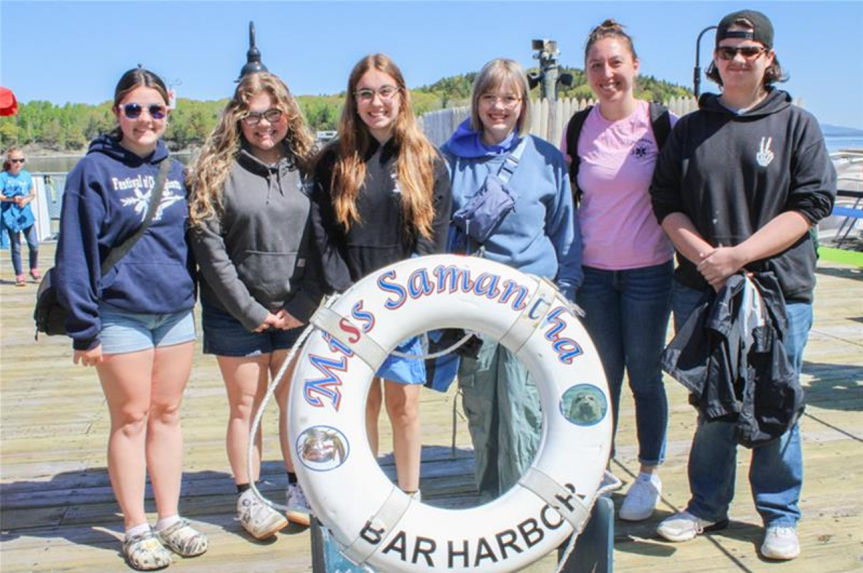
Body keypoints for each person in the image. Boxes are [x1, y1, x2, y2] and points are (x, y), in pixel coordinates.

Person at [650, 10, 836, 560]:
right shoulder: (689, 129)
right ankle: (706, 505)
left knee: (777, 397)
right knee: (713, 401)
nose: (736, 60)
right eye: (727, 51)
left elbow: (811, 204)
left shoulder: (797, 124)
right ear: (715, 60)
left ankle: (780, 513)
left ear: (769, 60)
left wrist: (739, 256)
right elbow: (666, 202)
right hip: (702, 285)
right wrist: (709, 257)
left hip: (778, 289)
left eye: (748, 52)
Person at [55, 68, 207, 570]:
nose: (145, 119)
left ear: (169, 111)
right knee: (130, 417)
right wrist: (84, 327)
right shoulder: (91, 171)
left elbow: (192, 243)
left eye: (156, 110)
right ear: (117, 111)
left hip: (175, 312)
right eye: (134, 109)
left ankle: (169, 517)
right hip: (119, 313)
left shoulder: (180, 171)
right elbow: (74, 251)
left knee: (167, 414)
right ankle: (135, 525)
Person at [188, 71, 323, 537]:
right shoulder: (217, 170)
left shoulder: (311, 167)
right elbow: (209, 249)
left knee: (293, 404)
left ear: (288, 114)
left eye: (273, 113)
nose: (264, 124)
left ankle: (297, 486)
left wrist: (304, 303)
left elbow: (327, 241)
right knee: (246, 405)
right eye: (253, 116)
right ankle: (248, 493)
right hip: (235, 312)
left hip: (296, 309)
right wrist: (250, 310)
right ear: (237, 119)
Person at [311, 53, 452, 498]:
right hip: (352, 307)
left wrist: (405, 299)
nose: (376, 102)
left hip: (404, 308)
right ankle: (369, 492)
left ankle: (409, 494)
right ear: (354, 101)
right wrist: (343, 289)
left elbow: (433, 239)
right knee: (363, 401)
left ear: (401, 96)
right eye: (366, 93)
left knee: (403, 403)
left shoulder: (428, 161)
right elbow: (321, 233)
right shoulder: (334, 162)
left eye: (385, 91)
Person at [442, 58, 582, 501]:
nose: (498, 106)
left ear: (523, 103)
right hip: (474, 305)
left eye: (509, 97)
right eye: (489, 96)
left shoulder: (546, 160)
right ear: (476, 101)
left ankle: (523, 500)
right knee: (482, 402)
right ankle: (490, 497)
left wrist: (567, 295)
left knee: (524, 404)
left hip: (531, 303)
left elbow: (565, 233)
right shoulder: (450, 161)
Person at [560, 20, 675, 521]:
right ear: (586, 73)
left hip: (650, 271)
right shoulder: (578, 126)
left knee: (645, 378)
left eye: (615, 63)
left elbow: (685, 193)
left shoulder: (662, 124)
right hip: (595, 275)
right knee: (600, 377)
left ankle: (649, 472)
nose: (606, 74)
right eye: (596, 65)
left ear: (634, 67)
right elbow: (564, 201)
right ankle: (598, 466)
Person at [1, 147, 40, 286]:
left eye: (21, 160)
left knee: (34, 244)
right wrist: (12, 199)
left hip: (25, 215)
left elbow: (32, 193)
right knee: (16, 246)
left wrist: (26, 200)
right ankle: (19, 275)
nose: (18, 163)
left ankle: (34, 268)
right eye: (15, 160)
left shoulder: (26, 176)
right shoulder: (3, 177)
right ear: (9, 161)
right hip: (11, 215)